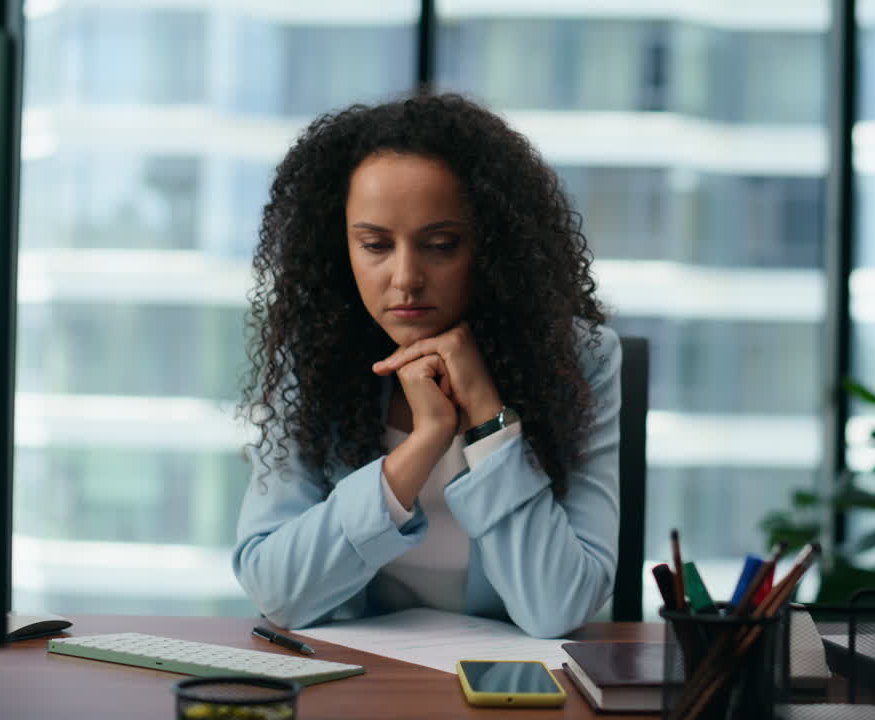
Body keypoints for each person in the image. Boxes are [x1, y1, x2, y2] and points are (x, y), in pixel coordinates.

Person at [232, 92, 621, 639]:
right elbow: (277, 592)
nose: (406, 278)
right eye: (374, 245)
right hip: (360, 685)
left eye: (440, 245)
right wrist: (423, 444)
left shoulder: (580, 360)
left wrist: (487, 418)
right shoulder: (313, 357)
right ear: (339, 245)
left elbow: (559, 606)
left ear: (491, 246)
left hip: (509, 690)